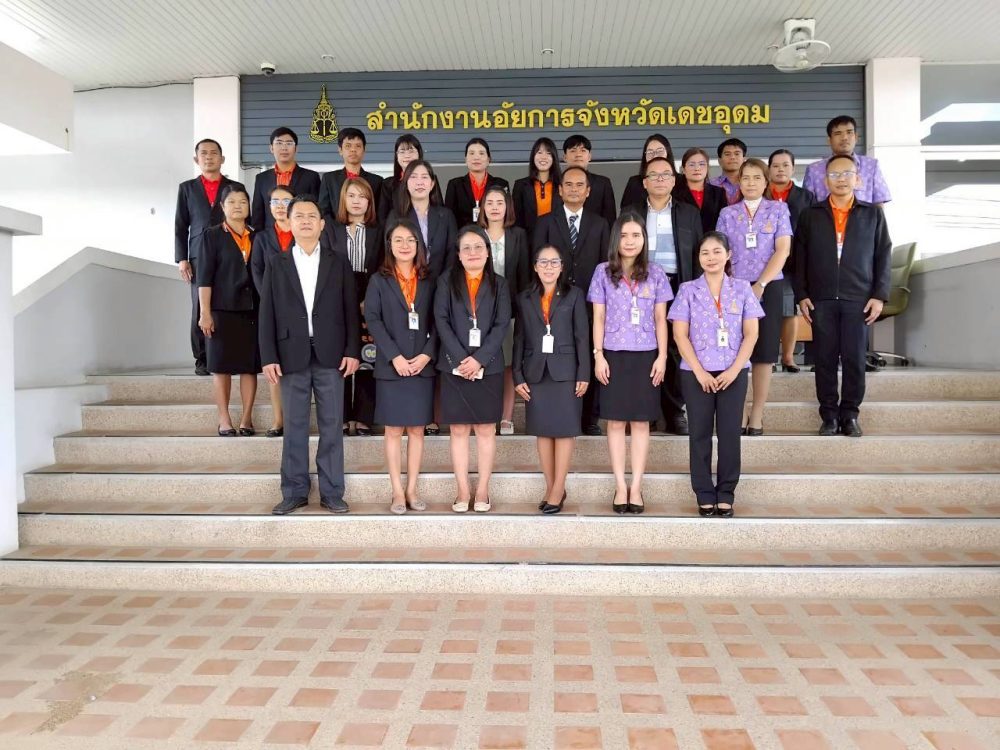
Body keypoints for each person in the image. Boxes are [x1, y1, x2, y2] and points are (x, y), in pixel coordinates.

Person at [258, 194, 360, 515]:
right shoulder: (277, 263)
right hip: (291, 355)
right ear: (288, 223)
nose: (305, 221)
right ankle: (294, 491)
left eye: (311, 216)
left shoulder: (338, 261)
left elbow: (350, 310)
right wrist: (268, 356)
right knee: (295, 427)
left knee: (332, 426)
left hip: (332, 355)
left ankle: (332, 492)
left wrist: (353, 350)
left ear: (322, 224)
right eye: (298, 216)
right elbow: (266, 312)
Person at [795, 154, 892, 437]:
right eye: (834, 175)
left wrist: (879, 295)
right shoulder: (811, 214)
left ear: (857, 179)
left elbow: (883, 255)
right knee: (824, 359)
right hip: (821, 298)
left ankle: (850, 415)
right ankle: (828, 416)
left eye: (847, 174)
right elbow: (799, 257)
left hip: (858, 298)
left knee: (854, 359)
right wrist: (802, 294)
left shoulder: (872, 214)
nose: (841, 180)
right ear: (825, 181)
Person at [669, 232, 763, 518]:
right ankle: (704, 493)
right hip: (696, 373)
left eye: (716, 251)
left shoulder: (743, 289)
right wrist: (699, 372)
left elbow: (751, 334)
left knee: (729, 434)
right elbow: (680, 335)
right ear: (698, 258)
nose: (711, 257)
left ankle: (726, 493)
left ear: (728, 255)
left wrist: (734, 370)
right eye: (705, 253)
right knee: (699, 434)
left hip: (733, 373)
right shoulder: (687, 290)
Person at [589, 212, 672, 515]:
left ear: (644, 239)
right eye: (624, 235)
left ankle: (636, 486)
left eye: (636, 235)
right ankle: (619, 485)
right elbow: (598, 317)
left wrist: (662, 356)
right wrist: (598, 355)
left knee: (640, 422)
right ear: (616, 239)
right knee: (614, 422)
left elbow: (661, 318)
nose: (630, 241)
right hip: (612, 355)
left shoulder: (656, 273)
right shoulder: (602, 272)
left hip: (646, 355)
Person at [434, 225, 512, 513]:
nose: (473, 252)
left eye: (478, 246)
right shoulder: (446, 281)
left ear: (488, 252)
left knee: (485, 429)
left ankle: (482, 490)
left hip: (488, 366)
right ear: (458, 254)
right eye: (466, 248)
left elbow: (502, 324)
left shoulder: (500, 284)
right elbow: (441, 320)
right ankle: (462, 490)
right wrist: (461, 358)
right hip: (454, 365)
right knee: (458, 429)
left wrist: (479, 359)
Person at [624, 156, 703, 435]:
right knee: (640, 348)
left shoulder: (689, 213)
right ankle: (643, 411)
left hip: (677, 286)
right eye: (653, 175)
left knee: (674, 348)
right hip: (638, 287)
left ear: (674, 180)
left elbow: (697, 255)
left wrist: (695, 292)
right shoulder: (631, 211)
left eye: (665, 174)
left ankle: (674, 411)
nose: (659, 179)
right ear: (644, 182)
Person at [364, 219, 437, 514]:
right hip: (391, 366)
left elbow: (440, 321)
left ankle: (412, 489)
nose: (404, 245)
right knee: (393, 430)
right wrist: (394, 356)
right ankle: (396, 491)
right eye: (398, 240)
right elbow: (373, 319)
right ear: (389, 245)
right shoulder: (379, 281)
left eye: (410, 240)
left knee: (417, 430)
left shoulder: (430, 280)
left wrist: (427, 355)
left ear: (418, 245)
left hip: (422, 366)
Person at [715, 158, 792, 435]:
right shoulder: (727, 213)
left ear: (766, 181)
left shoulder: (778, 209)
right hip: (733, 288)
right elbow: (719, 252)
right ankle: (739, 410)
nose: (750, 183)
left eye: (757, 177)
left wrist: (760, 284)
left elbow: (782, 250)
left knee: (764, 352)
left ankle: (757, 413)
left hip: (768, 287)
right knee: (734, 350)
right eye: (745, 178)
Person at [533, 166, 611, 436]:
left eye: (580, 185)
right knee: (559, 356)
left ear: (588, 191)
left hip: (590, 302)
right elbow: (538, 261)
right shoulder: (545, 222)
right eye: (569, 184)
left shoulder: (600, 224)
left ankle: (589, 418)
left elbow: (605, 266)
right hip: (554, 303)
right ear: (560, 190)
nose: (574, 189)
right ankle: (559, 413)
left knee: (588, 353)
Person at [513, 245, 589, 515]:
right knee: (543, 430)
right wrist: (517, 375)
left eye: (553, 262)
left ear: (561, 267)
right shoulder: (524, 297)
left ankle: (559, 488)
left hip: (566, 371)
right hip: (535, 371)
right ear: (535, 267)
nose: (548, 267)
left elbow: (582, 336)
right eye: (543, 262)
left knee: (565, 430)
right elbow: (519, 338)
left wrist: (584, 372)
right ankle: (550, 486)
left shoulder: (574, 295)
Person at [196, 183, 259, 436]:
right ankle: (224, 419)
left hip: (252, 310)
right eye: (232, 202)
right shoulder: (211, 236)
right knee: (221, 366)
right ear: (222, 206)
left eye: (243, 202)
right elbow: (204, 278)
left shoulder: (257, 235)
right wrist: (205, 312)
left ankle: (246, 419)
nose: (238, 206)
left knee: (249, 367)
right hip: (221, 310)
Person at [175, 138, 237, 376]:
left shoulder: (234, 187)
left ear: (222, 158)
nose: (209, 157)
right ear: (196, 159)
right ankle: (202, 359)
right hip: (198, 257)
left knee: (228, 304)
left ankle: (226, 355)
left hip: (229, 253)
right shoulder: (187, 188)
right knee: (200, 306)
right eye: (204, 153)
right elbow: (181, 226)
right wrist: (182, 258)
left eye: (214, 153)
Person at [326, 177, 381, 437]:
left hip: (369, 293)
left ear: (369, 202)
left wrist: (369, 298)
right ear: (343, 200)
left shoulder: (378, 231)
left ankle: (363, 417)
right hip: (337, 294)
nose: (357, 201)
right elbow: (325, 265)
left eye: (362, 196)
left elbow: (382, 266)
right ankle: (342, 416)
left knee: (368, 356)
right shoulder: (331, 229)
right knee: (341, 357)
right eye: (351, 196)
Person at [479, 185, 531, 434]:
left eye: (500, 202)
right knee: (483, 361)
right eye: (489, 203)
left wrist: (522, 310)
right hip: (478, 312)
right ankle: (486, 414)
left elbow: (524, 276)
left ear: (507, 206)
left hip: (509, 310)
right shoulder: (474, 234)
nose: (495, 207)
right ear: (482, 207)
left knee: (509, 363)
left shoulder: (518, 235)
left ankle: (507, 417)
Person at [250, 185, 296, 437]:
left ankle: (296, 418)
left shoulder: (304, 233)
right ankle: (279, 420)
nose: (280, 206)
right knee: (275, 365)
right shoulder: (262, 238)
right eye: (275, 201)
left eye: (285, 201)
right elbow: (257, 271)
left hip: (302, 308)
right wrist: (270, 299)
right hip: (272, 309)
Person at [766, 149, 817, 373]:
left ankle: (788, 358)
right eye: (776, 166)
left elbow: (812, 230)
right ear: (769, 169)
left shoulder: (806, 197)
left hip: (794, 261)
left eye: (785, 165)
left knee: (789, 310)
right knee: (765, 312)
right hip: (763, 262)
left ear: (793, 169)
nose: (780, 169)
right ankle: (767, 358)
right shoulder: (761, 193)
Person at [388, 160, 457, 280]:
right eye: (413, 177)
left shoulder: (446, 216)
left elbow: (452, 254)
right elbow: (390, 254)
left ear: (432, 184)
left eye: (424, 177)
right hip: (407, 284)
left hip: (441, 284)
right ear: (406, 183)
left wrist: (444, 283)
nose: (419, 182)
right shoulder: (395, 216)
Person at [802, 115, 892, 205]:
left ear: (856, 137)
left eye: (849, 132)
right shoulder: (814, 170)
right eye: (838, 133)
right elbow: (806, 205)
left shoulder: (871, 166)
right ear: (829, 140)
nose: (844, 137)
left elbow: (879, 203)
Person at [250, 127, 321, 232]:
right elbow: (257, 214)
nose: (284, 148)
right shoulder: (262, 179)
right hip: (270, 237)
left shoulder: (311, 177)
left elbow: (317, 211)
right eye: (279, 143)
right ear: (271, 148)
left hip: (301, 234)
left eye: (289, 143)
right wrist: (259, 238)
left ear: (296, 148)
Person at [318, 127, 384, 220]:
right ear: (340, 150)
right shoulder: (329, 179)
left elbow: (379, 213)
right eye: (348, 146)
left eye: (358, 146)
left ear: (364, 150)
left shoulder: (377, 181)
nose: (353, 149)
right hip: (335, 228)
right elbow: (324, 211)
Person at [445, 137, 510, 227]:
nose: (476, 157)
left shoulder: (501, 184)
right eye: (471, 153)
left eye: (481, 153)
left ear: (488, 160)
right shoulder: (455, 185)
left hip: (492, 233)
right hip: (463, 234)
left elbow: (507, 215)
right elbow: (449, 219)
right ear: (465, 159)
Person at [377, 134, 442, 220]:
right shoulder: (388, 184)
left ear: (419, 154)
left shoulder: (429, 179)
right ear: (396, 156)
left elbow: (440, 211)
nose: (407, 155)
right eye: (402, 151)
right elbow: (383, 218)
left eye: (411, 151)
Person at [512, 137, 562, 236]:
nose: (543, 157)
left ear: (554, 158)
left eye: (548, 153)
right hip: (529, 240)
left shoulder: (562, 185)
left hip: (556, 238)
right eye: (539, 153)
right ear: (533, 157)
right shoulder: (521, 185)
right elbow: (516, 219)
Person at [562, 134, 617, 225]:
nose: (578, 154)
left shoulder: (603, 183)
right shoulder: (557, 182)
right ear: (564, 157)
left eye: (583, 150)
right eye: (573, 150)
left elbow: (610, 219)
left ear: (589, 156)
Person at [673, 147, 728, 233]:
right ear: (683, 169)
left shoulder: (718, 193)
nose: (697, 168)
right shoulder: (674, 193)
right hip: (684, 240)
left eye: (702, 164)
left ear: (707, 168)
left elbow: (724, 222)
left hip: (712, 240)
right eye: (692, 164)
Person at [619, 134, 677, 209]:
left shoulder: (681, 181)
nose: (655, 156)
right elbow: (626, 211)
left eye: (660, 151)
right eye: (650, 152)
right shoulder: (634, 183)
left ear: (668, 153)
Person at [710, 138, 747, 205]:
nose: (732, 157)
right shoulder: (710, 184)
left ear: (744, 159)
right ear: (719, 160)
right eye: (727, 154)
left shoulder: (752, 184)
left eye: (737, 154)